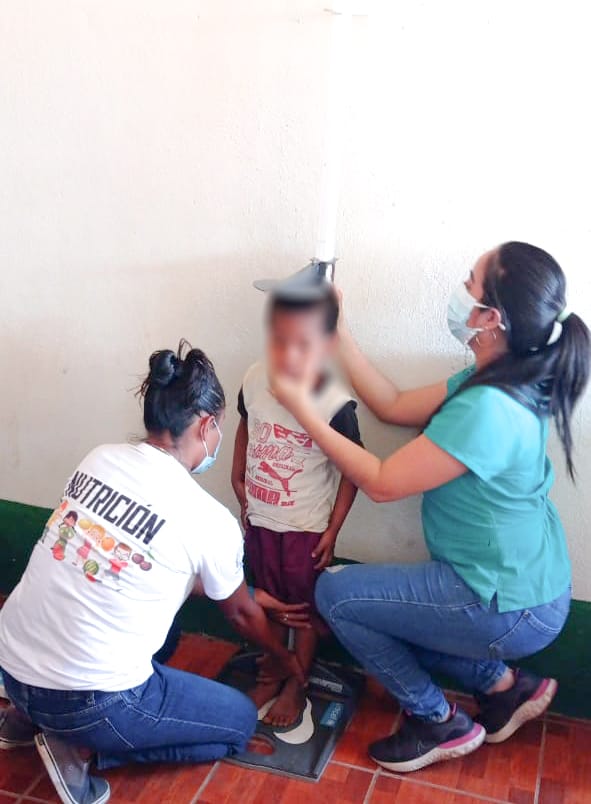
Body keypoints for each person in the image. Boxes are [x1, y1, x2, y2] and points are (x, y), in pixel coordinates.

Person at [270, 242, 590, 772]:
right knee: (390, 611)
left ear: (490, 317)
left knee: (337, 597)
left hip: (507, 603)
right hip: (527, 587)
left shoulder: (490, 407)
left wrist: (303, 408)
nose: (459, 289)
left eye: (469, 282)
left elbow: (381, 483)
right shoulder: (498, 376)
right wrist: (337, 330)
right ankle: (503, 688)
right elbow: (392, 405)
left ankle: (436, 719)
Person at [0, 342, 307, 804]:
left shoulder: (99, 458)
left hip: (11, 665)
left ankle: (24, 720)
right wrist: (284, 659)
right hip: (88, 702)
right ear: (205, 426)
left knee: (166, 632)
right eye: (219, 428)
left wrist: (249, 594)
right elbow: (241, 616)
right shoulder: (208, 517)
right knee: (239, 722)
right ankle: (76, 747)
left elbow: (142, 563)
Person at [232, 287, 362, 727]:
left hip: (306, 527)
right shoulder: (254, 378)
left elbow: (354, 469)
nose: (287, 354)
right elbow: (246, 424)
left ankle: (297, 682)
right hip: (260, 520)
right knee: (268, 601)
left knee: (303, 609)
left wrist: (333, 530)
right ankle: (273, 671)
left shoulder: (334, 401)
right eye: (278, 339)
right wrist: (238, 477)